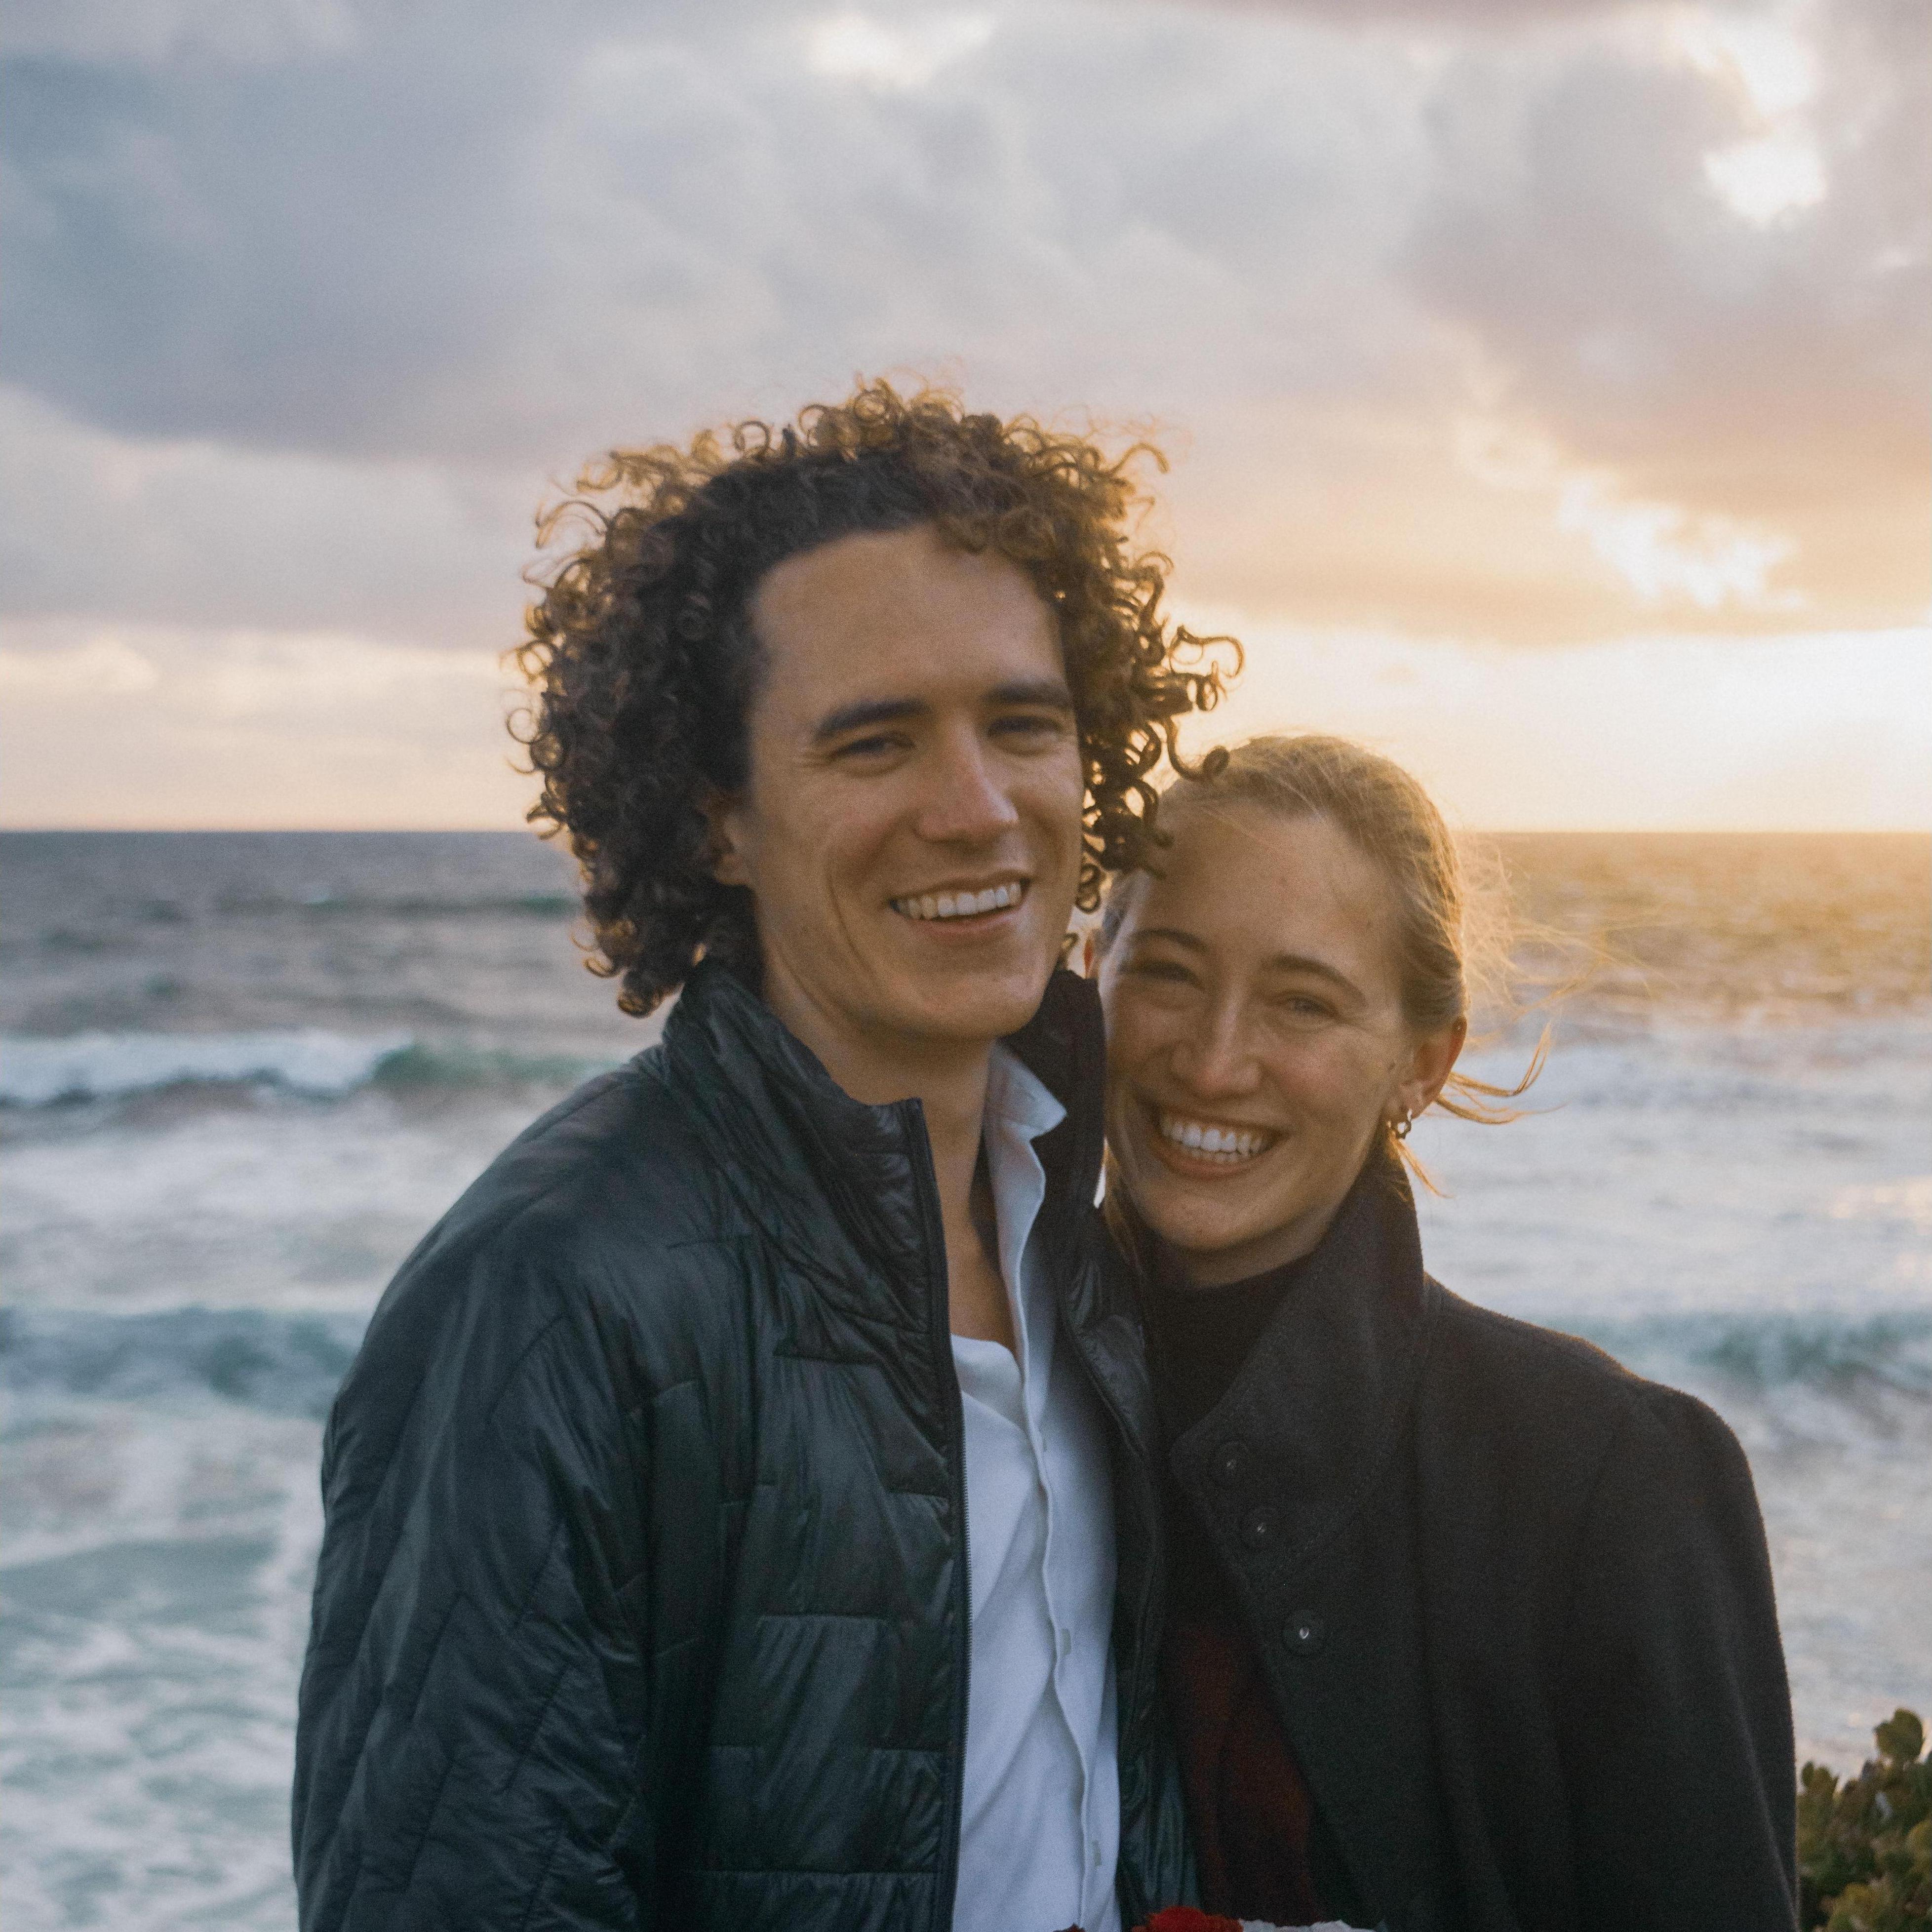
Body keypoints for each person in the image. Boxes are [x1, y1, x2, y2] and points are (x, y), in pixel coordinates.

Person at [292, 384, 1233, 1931]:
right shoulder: (551, 1293)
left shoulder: (1082, 1218)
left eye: (1022, 724)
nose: (977, 807)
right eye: (875, 743)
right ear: (719, 819)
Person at [1091, 734, 1798, 1932]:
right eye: (1167, 971)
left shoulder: (1608, 1482)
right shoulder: (974, 1412)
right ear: (1088, 974)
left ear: (1421, 1062)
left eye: (1302, 1001)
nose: (1212, 1060)